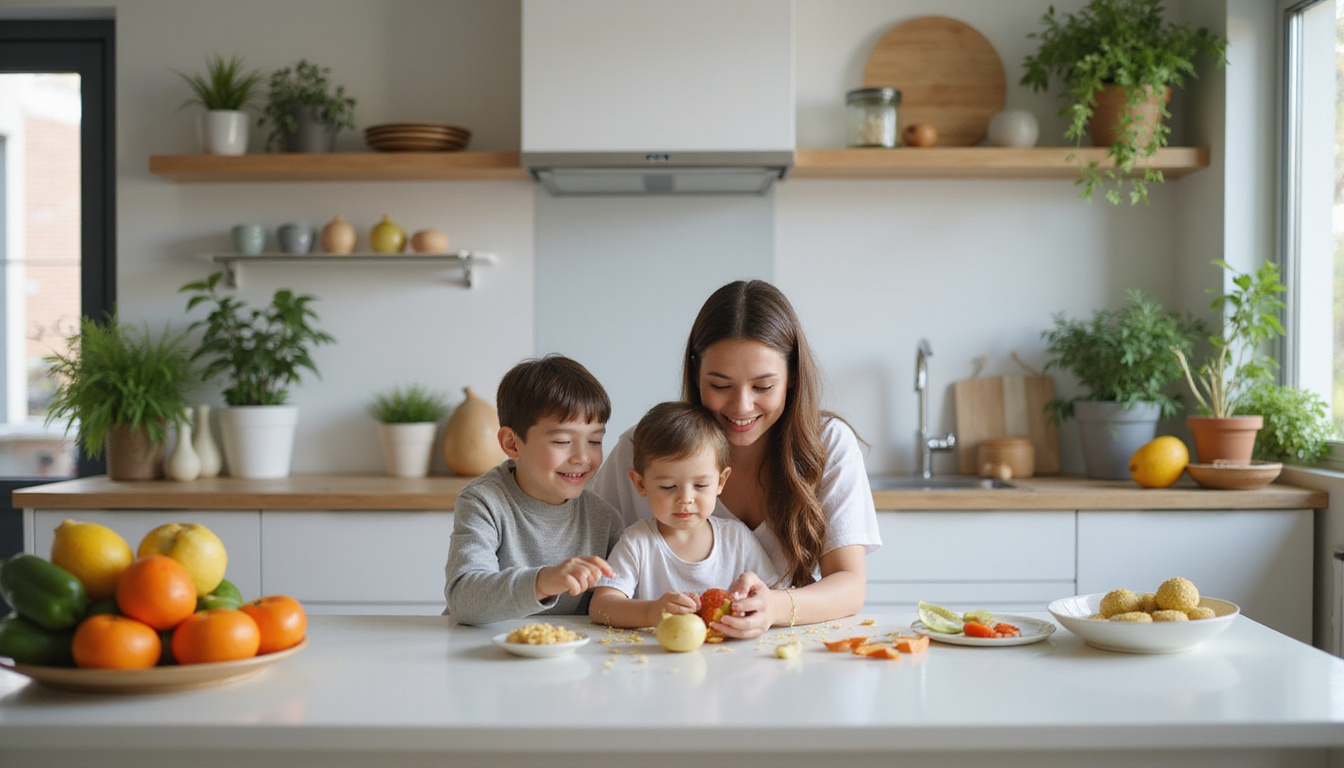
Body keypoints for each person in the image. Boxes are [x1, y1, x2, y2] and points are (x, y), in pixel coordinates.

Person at [591, 280, 880, 638]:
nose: (742, 407)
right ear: (696, 373)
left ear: (791, 375)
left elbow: (849, 585)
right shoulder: (641, 448)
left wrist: (774, 606)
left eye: (763, 386)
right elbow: (590, 575)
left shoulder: (830, 444)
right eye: (721, 385)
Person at [444, 354, 625, 625]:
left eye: (595, 441)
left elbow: (619, 601)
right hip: (481, 654)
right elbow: (463, 598)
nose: (582, 457)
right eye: (563, 441)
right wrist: (543, 581)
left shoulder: (605, 520)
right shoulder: (484, 501)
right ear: (512, 444)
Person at [588, 401, 780, 629]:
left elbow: (774, 595)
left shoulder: (736, 538)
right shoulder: (637, 543)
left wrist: (754, 594)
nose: (685, 499)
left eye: (700, 485)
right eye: (668, 487)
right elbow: (600, 607)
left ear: (720, 481)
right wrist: (650, 612)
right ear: (640, 484)